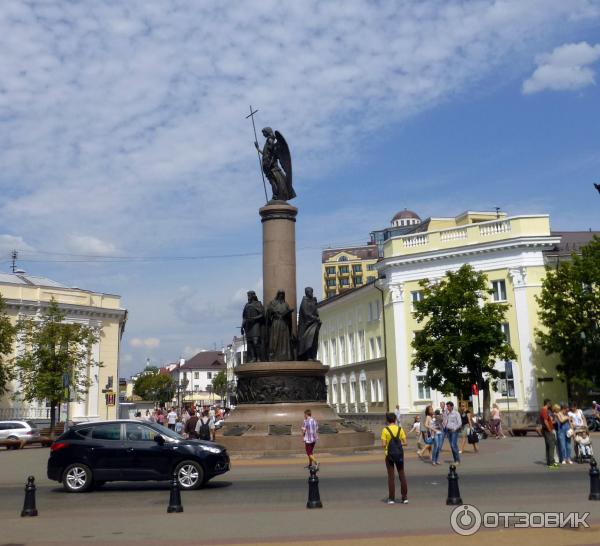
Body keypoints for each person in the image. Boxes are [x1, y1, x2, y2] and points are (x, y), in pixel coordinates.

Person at [381, 412, 408, 504]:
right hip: (400, 454)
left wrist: (389, 445)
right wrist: (399, 444)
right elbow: (405, 443)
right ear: (395, 419)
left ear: (387, 420)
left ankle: (391, 498)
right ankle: (404, 498)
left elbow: (383, 445)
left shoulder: (385, 430)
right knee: (402, 475)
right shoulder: (400, 429)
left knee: (391, 477)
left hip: (389, 455)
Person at [540, 399, 559, 468]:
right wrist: (550, 430)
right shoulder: (544, 410)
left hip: (546, 430)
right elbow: (545, 421)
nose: (551, 405)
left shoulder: (543, 410)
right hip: (548, 430)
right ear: (547, 403)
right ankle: (551, 463)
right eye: (550, 403)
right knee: (551, 446)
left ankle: (549, 462)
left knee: (548, 446)